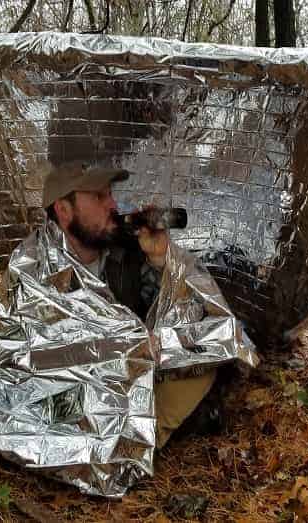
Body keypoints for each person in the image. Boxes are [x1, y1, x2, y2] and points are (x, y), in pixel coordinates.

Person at [41, 160, 220, 448]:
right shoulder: (34, 269)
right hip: (71, 395)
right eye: (99, 197)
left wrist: (161, 257)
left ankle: (133, 436)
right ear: (64, 210)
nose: (112, 204)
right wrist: (125, 345)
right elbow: (39, 353)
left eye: (110, 194)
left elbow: (190, 310)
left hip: (132, 382)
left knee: (205, 349)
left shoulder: (124, 255)